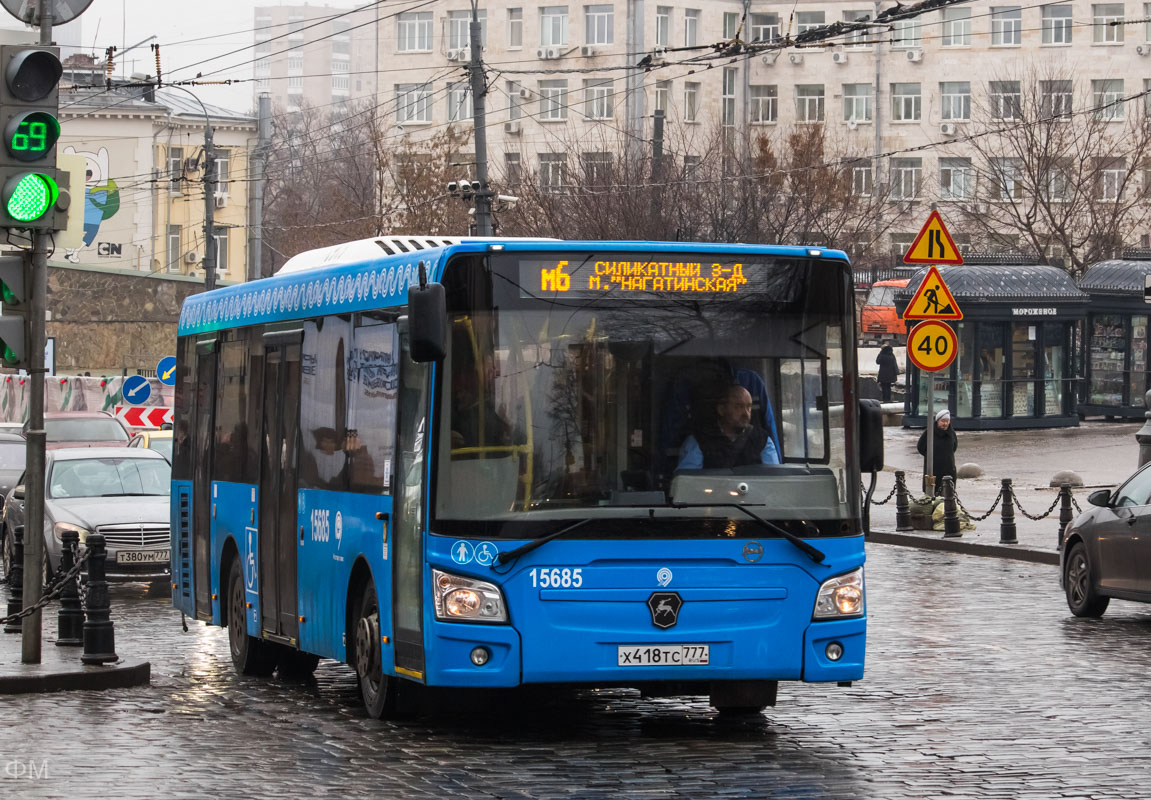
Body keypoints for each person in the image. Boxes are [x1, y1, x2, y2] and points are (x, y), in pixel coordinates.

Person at [677, 384, 780, 470]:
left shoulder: (762, 440)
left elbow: (773, 480)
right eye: (738, 407)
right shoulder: (699, 440)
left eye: (748, 407)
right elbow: (687, 482)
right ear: (721, 409)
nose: (746, 413)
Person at [917, 408, 958, 495]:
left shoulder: (951, 433)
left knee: (948, 496)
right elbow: (920, 447)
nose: (945, 423)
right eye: (943, 421)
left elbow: (954, 447)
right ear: (938, 421)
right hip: (933, 470)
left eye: (947, 421)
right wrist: (930, 457)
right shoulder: (929, 432)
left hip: (948, 469)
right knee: (932, 495)